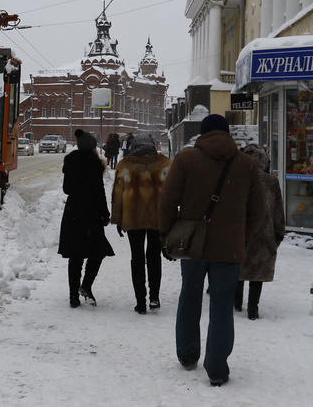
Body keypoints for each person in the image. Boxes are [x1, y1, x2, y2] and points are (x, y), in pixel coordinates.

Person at [158, 114, 265, 387]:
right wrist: (243, 238)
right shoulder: (246, 164)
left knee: (190, 298)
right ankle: (217, 368)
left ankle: (188, 354)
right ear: (227, 133)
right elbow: (258, 211)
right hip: (229, 248)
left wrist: (167, 236)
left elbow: (167, 202)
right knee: (221, 306)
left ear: (202, 134)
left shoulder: (186, 160)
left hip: (192, 245)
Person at [111, 134, 172, 314]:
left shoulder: (125, 165)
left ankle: (140, 301)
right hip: (158, 219)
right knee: (154, 257)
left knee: (136, 258)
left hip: (133, 218)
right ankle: (154, 297)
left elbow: (117, 195)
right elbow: (171, 195)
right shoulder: (165, 164)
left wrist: (118, 219)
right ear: (152, 146)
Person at [58, 128, 114, 308]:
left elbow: (66, 189)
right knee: (97, 251)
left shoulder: (71, 161)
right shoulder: (94, 164)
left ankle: (73, 296)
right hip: (91, 214)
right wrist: (105, 214)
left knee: (75, 255)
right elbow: (99, 192)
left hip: (73, 212)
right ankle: (86, 286)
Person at [237, 144, 286, 320]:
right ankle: (253, 308)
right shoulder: (271, 182)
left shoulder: (237, 178)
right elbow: (278, 210)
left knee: (239, 268)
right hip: (264, 235)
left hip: (241, 232)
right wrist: (279, 232)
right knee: (257, 272)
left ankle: (236, 303)